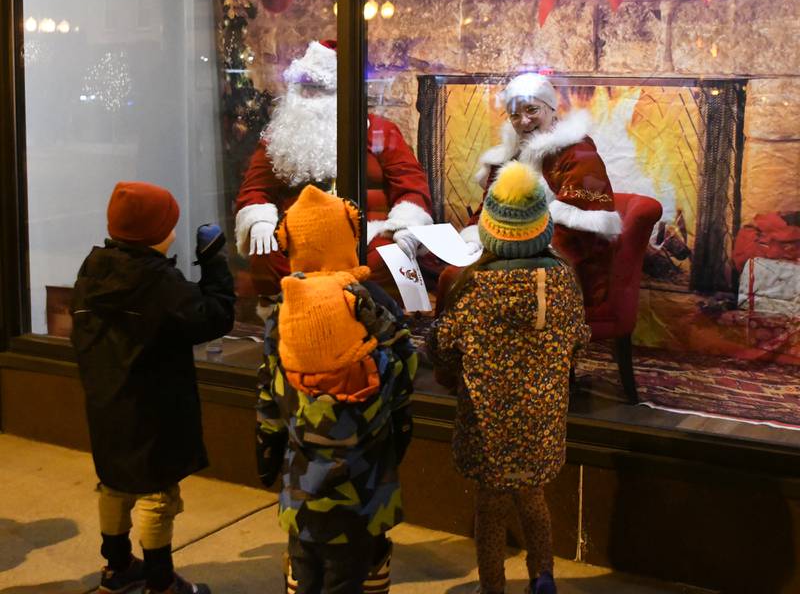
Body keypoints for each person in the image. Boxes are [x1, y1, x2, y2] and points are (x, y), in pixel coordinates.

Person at [429, 162, 591, 594]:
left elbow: (442, 347)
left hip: (488, 428)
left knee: (491, 508)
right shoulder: (563, 280)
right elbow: (581, 340)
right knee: (534, 499)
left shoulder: (473, 285)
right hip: (541, 422)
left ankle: (493, 586)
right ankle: (543, 578)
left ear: (490, 230)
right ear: (543, 227)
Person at [70, 182, 236, 594]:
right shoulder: (156, 280)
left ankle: (117, 566)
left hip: (107, 404)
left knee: (114, 485)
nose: (175, 232)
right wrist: (215, 264)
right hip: (153, 409)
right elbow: (212, 318)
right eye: (170, 225)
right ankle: (162, 584)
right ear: (155, 233)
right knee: (156, 495)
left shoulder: (94, 268)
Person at [255, 184, 415, 594]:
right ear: (346, 239)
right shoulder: (371, 303)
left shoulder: (283, 309)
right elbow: (402, 377)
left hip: (302, 483)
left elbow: (270, 392)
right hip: (365, 485)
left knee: (305, 569)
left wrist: (267, 451)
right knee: (354, 573)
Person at [235, 39, 436, 305]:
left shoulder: (380, 132)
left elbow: (411, 185)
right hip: (297, 239)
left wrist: (405, 226)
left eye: (318, 88)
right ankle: (297, 319)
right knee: (266, 254)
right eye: (303, 87)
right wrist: (259, 219)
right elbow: (254, 189)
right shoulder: (279, 138)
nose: (308, 97)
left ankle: (370, 319)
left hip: (365, 238)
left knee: (393, 257)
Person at [462, 72, 622, 306]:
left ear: (551, 109)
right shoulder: (509, 155)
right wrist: (472, 240)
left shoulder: (579, 154)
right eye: (515, 115)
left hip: (559, 260)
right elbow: (487, 210)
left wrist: (518, 256)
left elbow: (576, 232)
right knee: (454, 277)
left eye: (532, 110)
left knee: (500, 285)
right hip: (506, 251)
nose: (523, 121)